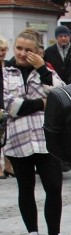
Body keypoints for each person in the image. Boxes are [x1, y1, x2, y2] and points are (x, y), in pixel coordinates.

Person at [3, 28, 71, 235]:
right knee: (25, 188)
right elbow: (10, 105)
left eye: (28, 50)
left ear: (38, 52)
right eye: (19, 48)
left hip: (45, 138)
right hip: (18, 139)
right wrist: (41, 104)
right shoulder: (5, 72)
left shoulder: (45, 71)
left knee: (54, 187)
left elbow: (61, 93)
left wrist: (41, 70)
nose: (22, 53)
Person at [0, 35, 13, 180]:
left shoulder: (9, 65)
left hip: (7, 104)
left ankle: (8, 165)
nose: (1, 53)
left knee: (8, 137)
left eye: (4, 50)